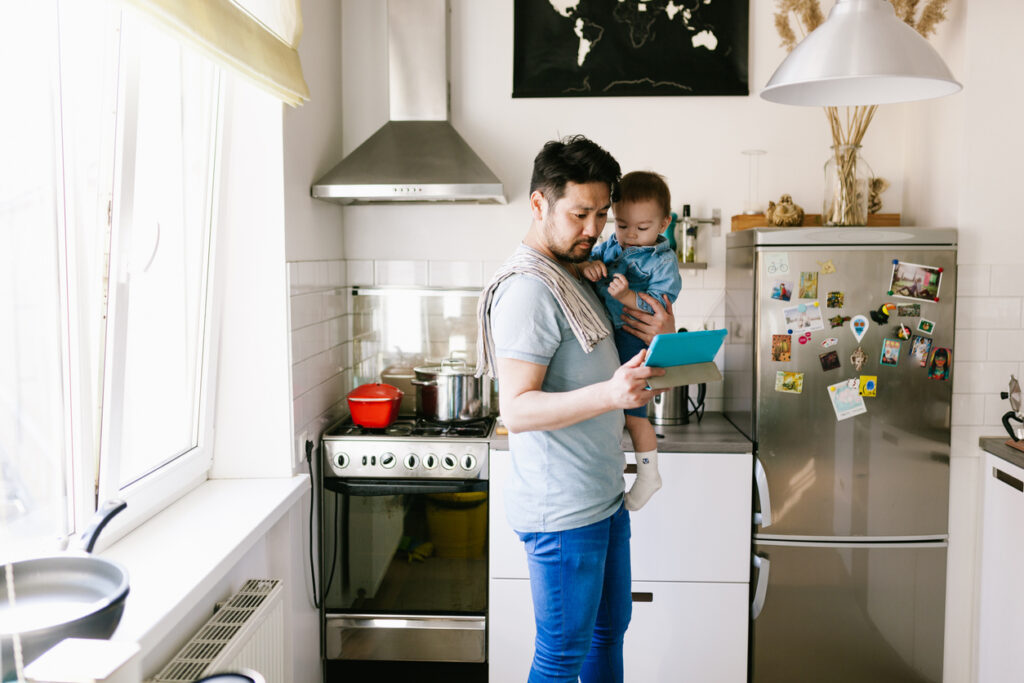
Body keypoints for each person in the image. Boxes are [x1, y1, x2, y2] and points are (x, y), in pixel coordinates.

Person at [475, 135, 674, 682]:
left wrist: (663, 331)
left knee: (609, 633)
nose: (593, 228)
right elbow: (517, 411)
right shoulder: (529, 290)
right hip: (562, 512)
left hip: (602, 496)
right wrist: (612, 395)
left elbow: (625, 349)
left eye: (602, 213)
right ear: (539, 204)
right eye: (579, 213)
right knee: (562, 654)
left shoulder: (577, 273)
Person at [580, 171, 681, 510]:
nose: (631, 235)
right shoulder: (611, 247)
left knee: (635, 417)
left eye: (642, 227)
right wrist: (589, 267)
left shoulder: (663, 261)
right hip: (610, 335)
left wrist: (626, 297)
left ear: (664, 223)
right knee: (615, 413)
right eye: (622, 225)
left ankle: (649, 474)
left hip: (634, 339)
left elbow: (660, 306)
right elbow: (592, 270)